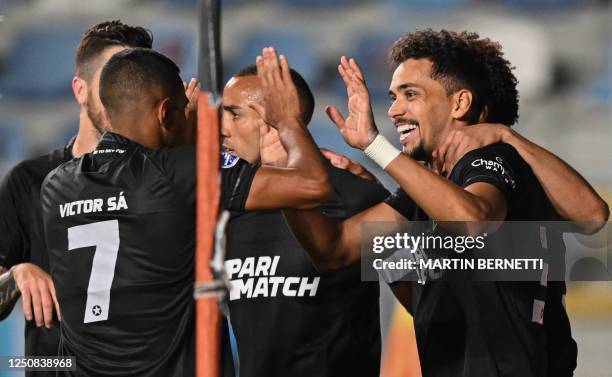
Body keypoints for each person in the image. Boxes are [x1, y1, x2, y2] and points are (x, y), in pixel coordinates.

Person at [283, 30, 609, 377]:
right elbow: (333, 251)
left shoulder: (494, 158)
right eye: (393, 96)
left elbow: (475, 223)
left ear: (459, 104)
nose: (393, 110)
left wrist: (376, 146)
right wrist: (288, 156)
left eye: (410, 94)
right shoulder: (425, 192)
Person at [40, 46, 330, 376]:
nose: (214, 128)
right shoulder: (181, 176)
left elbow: (395, 269)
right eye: (184, 110)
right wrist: (288, 119)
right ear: (166, 114)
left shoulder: (55, 185)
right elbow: (313, 186)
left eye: (233, 115)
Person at [0, 21, 153, 373]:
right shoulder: (29, 181)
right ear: (79, 90)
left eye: (139, 80)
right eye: (113, 80)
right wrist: (17, 274)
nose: (127, 93)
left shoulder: (164, 179)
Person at [219, 59, 389, 376]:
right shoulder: (229, 205)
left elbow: (421, 299)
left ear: (276, 118)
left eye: (234, 114)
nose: (221, 128)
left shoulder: (357, 197)